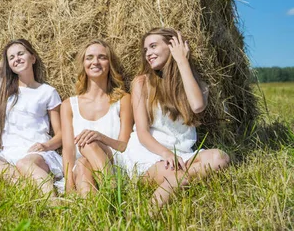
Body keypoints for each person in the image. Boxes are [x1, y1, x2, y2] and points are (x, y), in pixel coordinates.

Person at [120, 27, 230, 207]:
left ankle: (177, 180)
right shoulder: (142, 83)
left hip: (183, 155)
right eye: (146, 49)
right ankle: (146, 216)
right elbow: (142, 133)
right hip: (150, 154)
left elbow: (197, 105)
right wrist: (166, 153)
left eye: (153, 46)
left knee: (220, 158)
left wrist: (181, 61)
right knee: (179, 178)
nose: (148, 53)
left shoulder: (196, 84)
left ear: (173, 46)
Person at [0, 39, 64, 195]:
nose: (17, 58)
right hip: (8, 154)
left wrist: (46, 146)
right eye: (12, 57)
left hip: (35, 153)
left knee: (25, 164)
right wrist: (6, 67)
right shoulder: (3, 87)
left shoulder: (47, 92)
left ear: (33, 58)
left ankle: (52, 201)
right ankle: (25, 187)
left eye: (21, 54)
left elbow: (61, 134)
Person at [61, 39, 133, 196]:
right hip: (80, 170)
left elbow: (124, 146)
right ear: (83, 64)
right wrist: (68, 186)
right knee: (82, 163)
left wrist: (101, 138)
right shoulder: (68, 105)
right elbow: (68, 151)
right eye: (89, 57)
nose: (95, 62)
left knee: (88, 143)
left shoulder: (123, 100)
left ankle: (111, 187)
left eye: (102, 57)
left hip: (113, 165)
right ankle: (107, 199)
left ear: (109, 63)